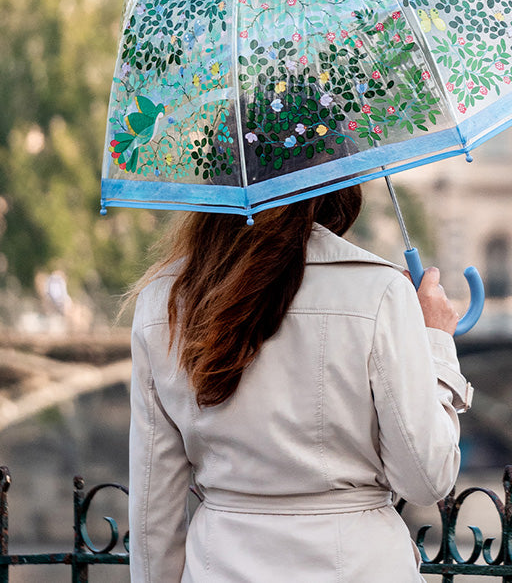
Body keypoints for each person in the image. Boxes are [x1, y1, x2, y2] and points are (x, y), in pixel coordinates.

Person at [127, 184, 472, 582]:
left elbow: (154, 505)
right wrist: (435, 345)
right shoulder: (379, 291)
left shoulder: (164, 302)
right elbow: (427, 478)